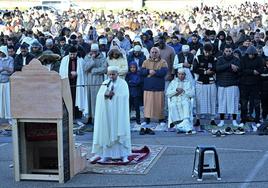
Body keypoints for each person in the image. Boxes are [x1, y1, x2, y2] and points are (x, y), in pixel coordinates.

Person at [91, 66, 131, 163]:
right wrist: (105, 94)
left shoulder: (123, 83)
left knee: (119, 131)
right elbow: (99, 96)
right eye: (110, 74)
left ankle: (123, 155)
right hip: (107, 113)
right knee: (107, 131)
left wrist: (115, 95)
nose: (111, 76)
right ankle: (106, 155)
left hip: (118, 113)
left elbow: (125, 96)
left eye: (113, 74)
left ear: (117, 74)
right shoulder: (105, 83)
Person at [140, 47, 168, 134]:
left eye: (156, 52)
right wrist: (148, 71)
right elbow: (141, 72)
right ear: (150, 53)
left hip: (158, 86)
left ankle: (161, 119)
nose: (154, 54)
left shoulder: (163, 62)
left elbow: (164, 72)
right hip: (148, 86)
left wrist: (155, 72)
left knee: (159, 104)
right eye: (152, 52)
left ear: (159, 53)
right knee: (148, 104)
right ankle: (146, 119)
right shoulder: (145, 62)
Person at [59, 46, 88, 120]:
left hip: (77, 82)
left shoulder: (80, 60)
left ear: (76, 53)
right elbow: (62, 72)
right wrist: (69, 73)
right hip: (68, 82)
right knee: (69, 98)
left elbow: (83, 72)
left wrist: (77, 73)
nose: (72, 56)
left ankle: (77, 115)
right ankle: (69, 115)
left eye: (74, 54)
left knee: (77, 98)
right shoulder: (64, 59)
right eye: (71, 54)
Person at [239, 45, 263, 130]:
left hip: (255, 84)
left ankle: (257, 120)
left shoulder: (259, 59)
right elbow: (241, 70)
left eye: (253, 54)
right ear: (247, 53)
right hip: (244, 84)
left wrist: (256, 71)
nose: (251, 56)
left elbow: (261, 69)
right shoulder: (243, 59)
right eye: (250, 54)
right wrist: (252, 71)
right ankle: (243, 120)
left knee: (256, 103)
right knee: (244, 104)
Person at [216, 45, 240, 127]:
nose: (228, 53)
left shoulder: (236, 59)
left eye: (230, 51)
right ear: (224, 51)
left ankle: (234, 121)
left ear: (232, 51)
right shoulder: (219, 59)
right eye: (226, 51)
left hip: (233, 84)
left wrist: (227, 68)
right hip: (222, 84)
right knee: (222, 103)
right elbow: (218, 69)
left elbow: (238, 70)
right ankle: (222, 121)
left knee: (233, 103)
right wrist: (229, 65)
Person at [193, 44, 217, 127]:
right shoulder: (198, 58)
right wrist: (205, 72)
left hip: (211, 83)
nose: (207, 53)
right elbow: (195, 69)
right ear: (203, 50)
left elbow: (215, 68)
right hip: (200, 83)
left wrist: (204, 70)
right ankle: (198, 119)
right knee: (198, 101)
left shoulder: (213, 58)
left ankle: (212, 119)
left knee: (212, 101)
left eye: (209, 52)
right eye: (206, 52)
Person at [83, 43, 107, 124]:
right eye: (92, 51)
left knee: (96, 99)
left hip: (98, 81)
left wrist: (94, 71)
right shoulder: (87, 57)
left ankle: (96, 117)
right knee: (89, 99)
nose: (94, 53)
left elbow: (104, 69)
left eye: (95, 51)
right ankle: (89, 116)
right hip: (89, 81)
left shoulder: (102, 58)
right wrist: (92, 60)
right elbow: (85, 68)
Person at [166, 68, 195, 134]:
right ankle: (183, 125)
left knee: (186, 103)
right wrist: (175, 90)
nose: (181, 76)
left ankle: (182, 124)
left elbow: (192, 94)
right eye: (179, 74)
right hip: (175, 100)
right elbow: (167, 93)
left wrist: (184, 91)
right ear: (177, 75)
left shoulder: (188, 83)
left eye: (182, 74)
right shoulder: (173, 82)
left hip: (184, 99)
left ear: (185, 75)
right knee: (173, 105)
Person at [0, 46, 14, 125]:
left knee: (8, 101)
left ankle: (10, 118)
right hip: (0, 82)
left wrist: (3, 68)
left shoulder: (10, 59)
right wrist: (5, 69)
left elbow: (11, 70)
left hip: (7, 82)